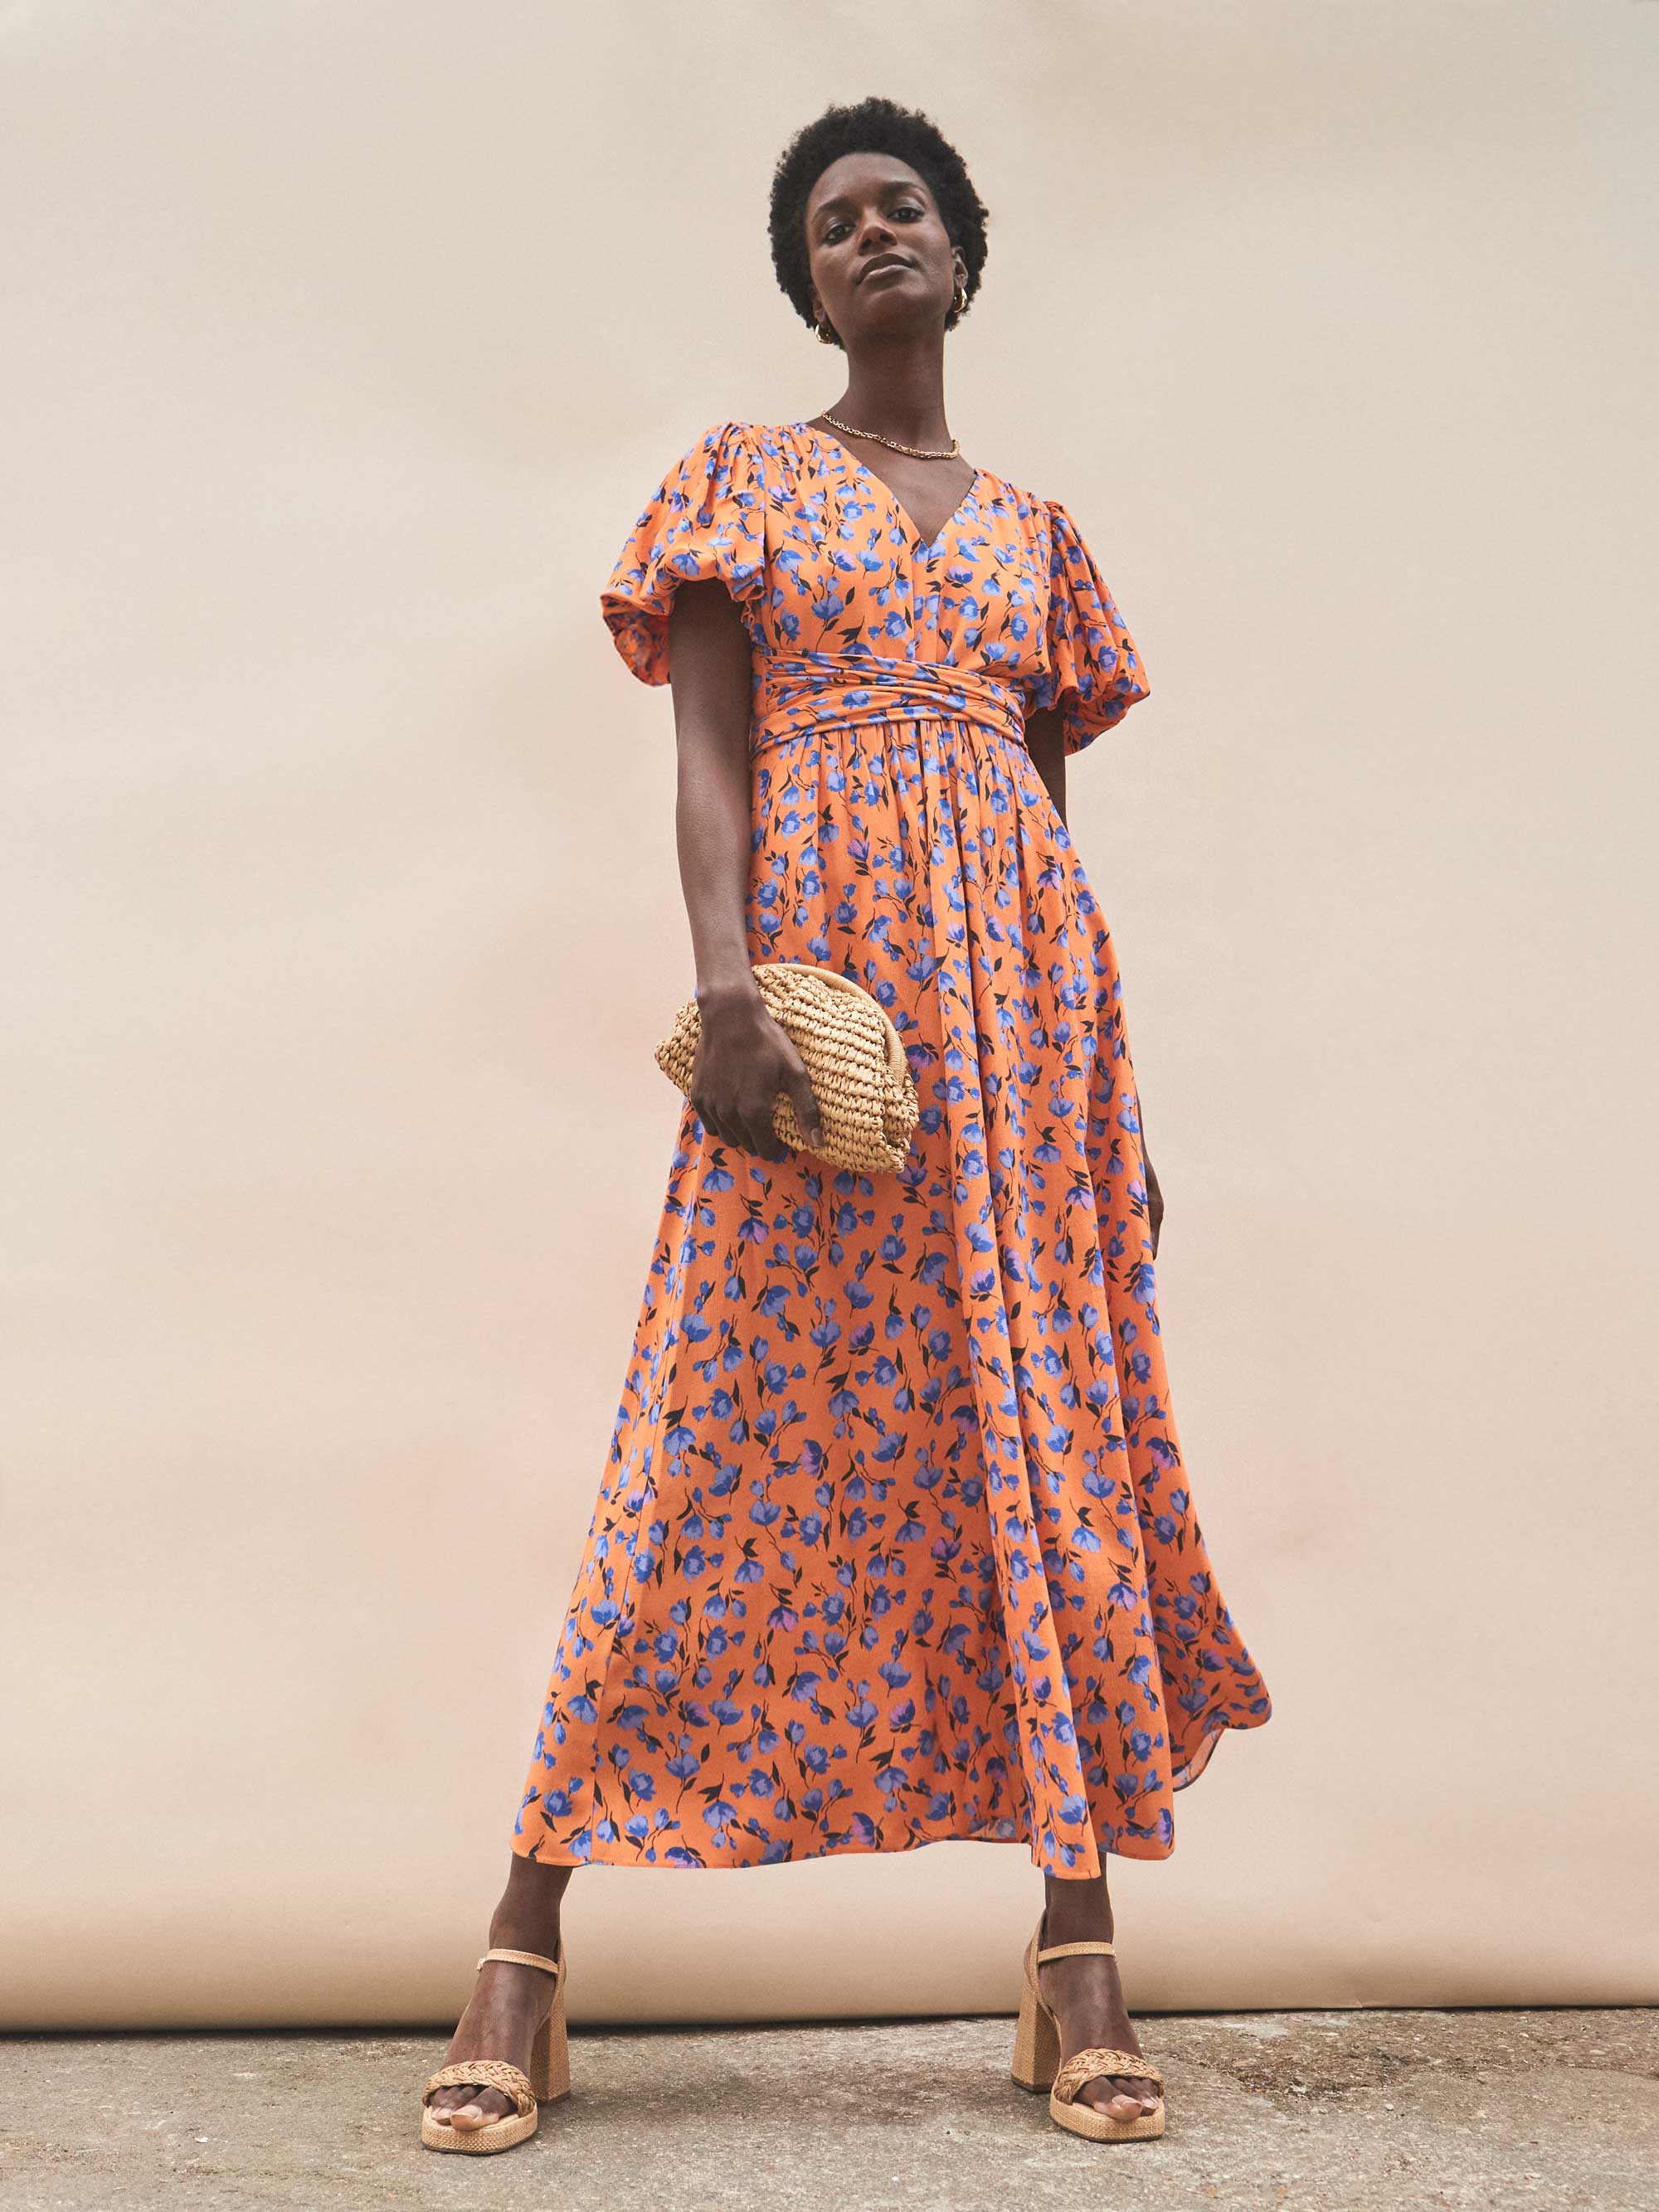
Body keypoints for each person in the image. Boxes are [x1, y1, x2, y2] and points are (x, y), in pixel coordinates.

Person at [420, 93, 1272, 2157]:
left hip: (1027, 1035)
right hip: (824, 1015)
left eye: (904, 209)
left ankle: (1077, 1946)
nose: (872, 234)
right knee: (705, 1426)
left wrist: (1112, 1104)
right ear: (806, 284)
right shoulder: (740, 479)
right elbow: (710, 755)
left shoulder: (1036, 534)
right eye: (833, 223)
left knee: (1041, 1444)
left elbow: (1044, 823)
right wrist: (727, 990)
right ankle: (520, 1947)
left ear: (962, 254)